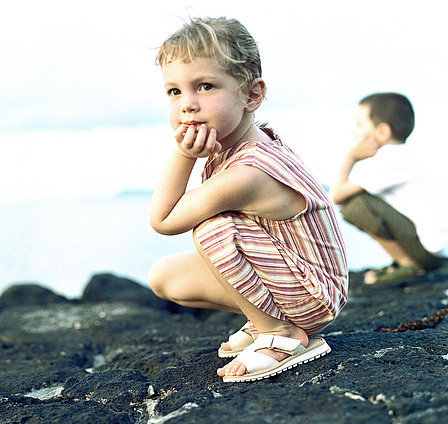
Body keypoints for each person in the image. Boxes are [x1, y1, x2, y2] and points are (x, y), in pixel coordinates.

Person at [148, 17, 348, 383]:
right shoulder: (233, 149)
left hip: (315, 294)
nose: (187, 105)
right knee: (164, 277)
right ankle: (266, 321)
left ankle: (283, 335)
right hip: (292, 280)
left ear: (252, 94)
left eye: (205, 86)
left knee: (211, 228)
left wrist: (184, 155)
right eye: (174, 91)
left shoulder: (250, 172)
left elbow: (164, 220)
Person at [332, 92, 447, 285]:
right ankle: (403, 260)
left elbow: (337, 196)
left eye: (360, 125)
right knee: (360, 202)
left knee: (354, 205)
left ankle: (408, 263)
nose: (355, 132)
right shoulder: (404, 156)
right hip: (438, 250)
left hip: (430, 253)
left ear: (383, 132)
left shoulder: (389, 159)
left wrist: (350, 158)